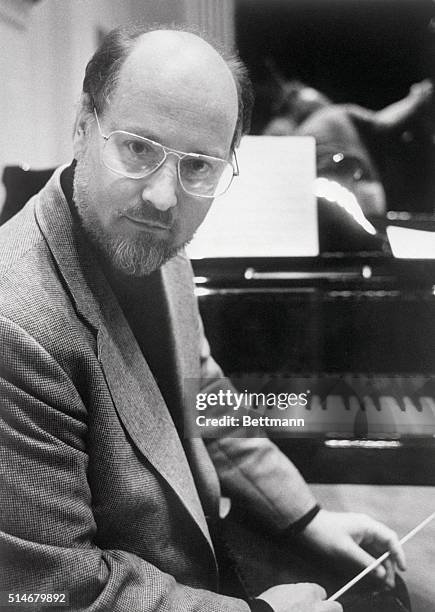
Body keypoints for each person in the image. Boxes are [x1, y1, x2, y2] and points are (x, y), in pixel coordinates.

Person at [0, 24, 407, 612]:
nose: (165, 197)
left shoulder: (155, 235)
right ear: (84, 126)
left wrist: (307, 518)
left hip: (198, 557)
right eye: (138, 147)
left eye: (198, 167)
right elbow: (53, 590)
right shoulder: (14, 326)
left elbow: (203, 388)